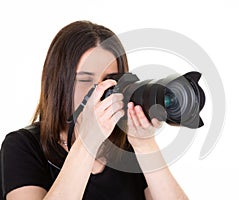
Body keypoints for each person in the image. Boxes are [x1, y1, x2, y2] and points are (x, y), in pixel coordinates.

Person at [0, 21, 188, 200]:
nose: (100, 89)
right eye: (85, 80)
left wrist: (145, 145)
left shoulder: (127, 148)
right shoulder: (22, 146)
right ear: (58, 84)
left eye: (110, 80)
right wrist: (87, 142)